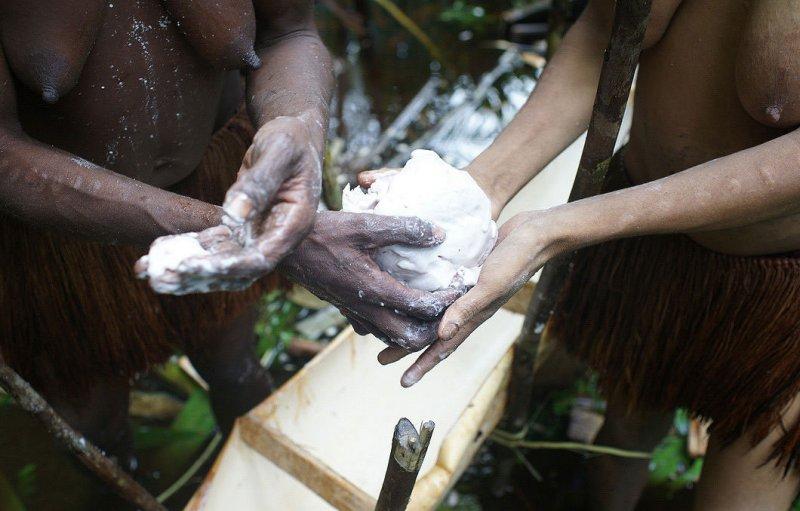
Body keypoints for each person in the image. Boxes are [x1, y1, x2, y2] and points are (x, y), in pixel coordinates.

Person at [376, 0, 800, 509]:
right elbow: (606, 33)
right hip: (647, 251)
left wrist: (561, 228)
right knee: (626, 426)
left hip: (782, 296)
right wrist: (477, 189)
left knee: (744, 484)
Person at [0, 0, 455, 466]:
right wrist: (249, 235)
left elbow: (289, 33)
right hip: (61, 230)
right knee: (96, 427)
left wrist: (295, 127)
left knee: (235, 370)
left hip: (224, 179)